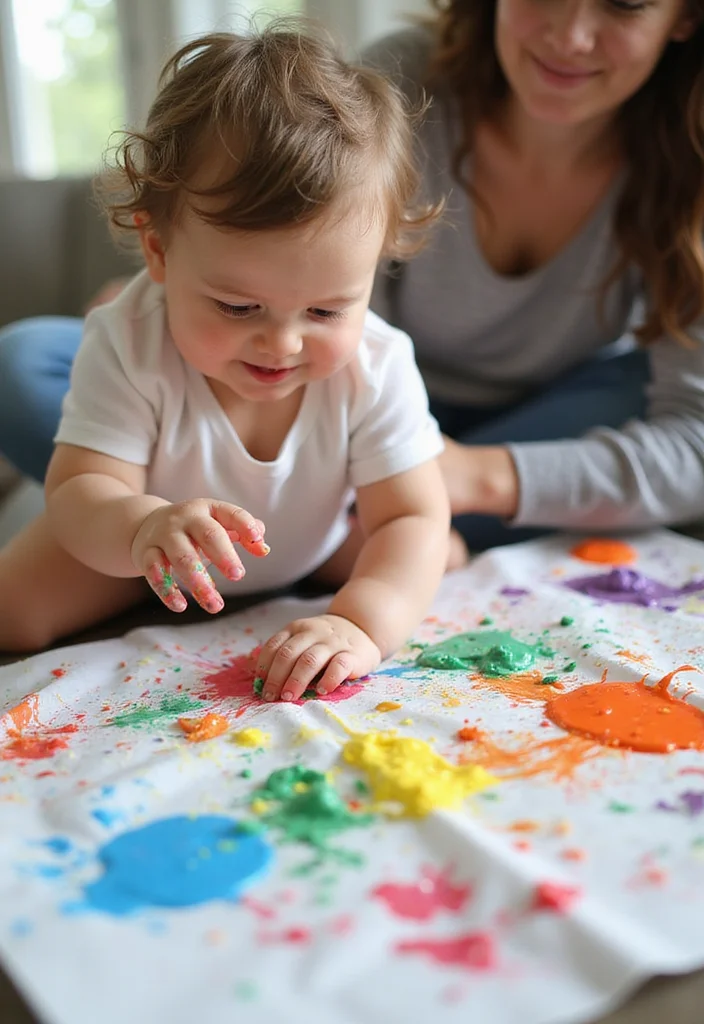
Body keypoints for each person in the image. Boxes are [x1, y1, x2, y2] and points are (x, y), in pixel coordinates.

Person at [1, 0, 703, 551]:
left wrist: (468, 475)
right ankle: (258, 529)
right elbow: (284, 294)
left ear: (687, 16)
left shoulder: (690, 162)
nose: (570, 33)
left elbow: (693, 437)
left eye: (625, 2)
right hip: (327, 407)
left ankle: (324, 533)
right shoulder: (403, 83)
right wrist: (173, 310)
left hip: (513, 430)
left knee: (633, 391)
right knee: (25, 363)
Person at [0, 25, 450, 704]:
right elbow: (81, 490)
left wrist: (359, 623)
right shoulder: (127, 341)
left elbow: (410, 517)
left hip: (311, 543)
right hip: (144, 553)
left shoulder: (378, 363)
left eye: (326, 312)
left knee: (425, 555)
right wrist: (142, 527)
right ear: (158, 252)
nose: (283, 344)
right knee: (15, 610)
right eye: (239, 307)